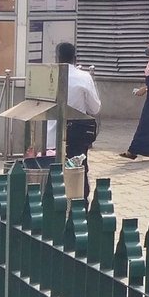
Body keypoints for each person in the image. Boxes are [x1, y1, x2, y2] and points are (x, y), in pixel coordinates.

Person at [43, 42, 101, 199]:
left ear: (57, 57)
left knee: (52, 169)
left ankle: (52, 201)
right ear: (75, 58)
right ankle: (79, 202)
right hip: (77, 133)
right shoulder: (84, 77)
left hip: (51, 134)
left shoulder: (49, 76)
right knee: (78, 168)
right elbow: (95, 108)